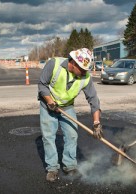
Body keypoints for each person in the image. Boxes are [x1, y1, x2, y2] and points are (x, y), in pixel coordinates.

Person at [38, 48, 103, 182]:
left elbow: (93, 99)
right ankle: (52, 168)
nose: (85, 73)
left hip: (67, 107)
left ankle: (69, 165)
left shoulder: (85, 77)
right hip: (48, 105)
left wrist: (96, 123)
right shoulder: (54, 64)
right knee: (49, 137)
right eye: (83, 70)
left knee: (72, 134)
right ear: (73, 63)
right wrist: (50, 102)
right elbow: (42, 85)